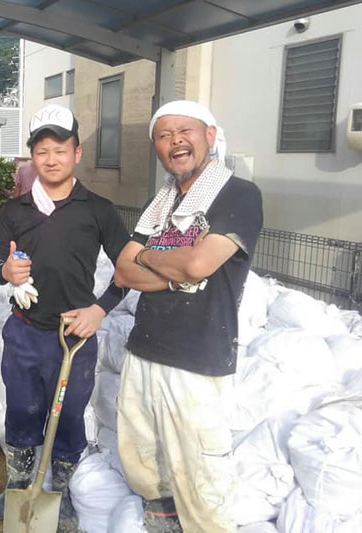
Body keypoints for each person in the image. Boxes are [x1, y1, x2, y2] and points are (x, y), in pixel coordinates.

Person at [114, 100, 263, 533]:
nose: (175, 141)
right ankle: (162, 522)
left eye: (186, 131)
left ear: (210, 136)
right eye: (164, 135)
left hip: (199, 359)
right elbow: (123, 270)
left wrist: (151, 258)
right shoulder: (159, 203)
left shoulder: (238, 194)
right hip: (144, 349)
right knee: (144, 460)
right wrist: (174, 271)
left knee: (201, 477)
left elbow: (198, 265)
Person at [0, 104, 129, 532]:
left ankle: (60, 493)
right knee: (22, 411)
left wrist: (99, 310)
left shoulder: (98, 209)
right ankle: (19, 485)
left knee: (68, 415)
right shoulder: (15, 211)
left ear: (77, 153)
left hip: (75, 337)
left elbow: (128, 270)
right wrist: (7, 273)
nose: (51, 159)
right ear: (32, 156)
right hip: (25, 333)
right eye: (42, 151)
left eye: (60, 149)